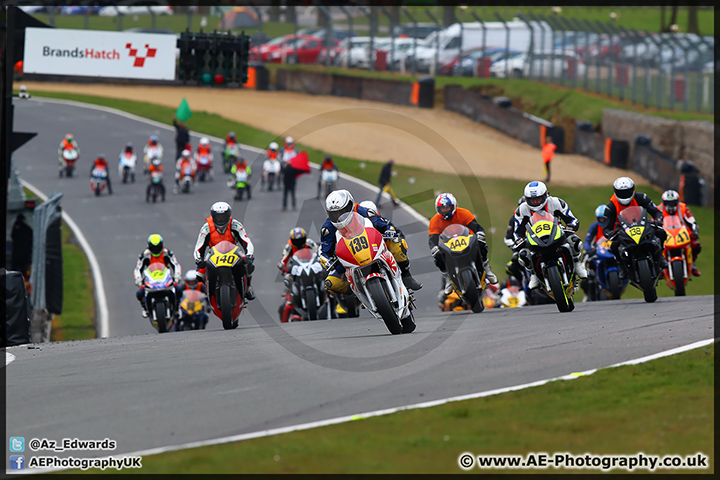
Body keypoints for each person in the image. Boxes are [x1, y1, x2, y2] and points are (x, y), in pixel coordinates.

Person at [320, 189, 422, 295]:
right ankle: (358, 294)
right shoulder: (328, 228)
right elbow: (325, 250)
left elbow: (379, 223)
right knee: (331, 283)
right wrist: (328, 261)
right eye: (335, 213)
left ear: (350, 206)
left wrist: (388, 230)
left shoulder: (362, 210)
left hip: (372, 245)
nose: (339, 216)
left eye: (342, 211)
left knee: (397, 243)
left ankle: (406, 276)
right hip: (350, 257)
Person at [513, 181, 587, 290]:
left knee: (574, 241)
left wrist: (571, 226)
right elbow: (517, 231)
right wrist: (519, 240)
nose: (535, 202)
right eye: (532, 200)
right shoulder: (522, 209)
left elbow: (571, 219)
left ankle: (577, 263)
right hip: (534, 238)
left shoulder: (556, 202)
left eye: (538, 199)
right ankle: (534, 273)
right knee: (523, 255)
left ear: (545, 195)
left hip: (557, 232)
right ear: (526, 199)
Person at [429, 193, 498, 300]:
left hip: (466, 240)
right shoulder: (434, 221)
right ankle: (448, 278)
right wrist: (434, 247)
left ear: (454, 206)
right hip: (449, 245)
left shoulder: (464, 213)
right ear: (438, 209)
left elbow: (476, 227)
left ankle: (487, 270)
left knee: (481, 244)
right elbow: (432, 239)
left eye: (448, 207)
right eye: (442, 208)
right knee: (437, 256)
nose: (445, 210)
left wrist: (480, 233)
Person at [193, 202, 256, 300]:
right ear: (213, 216)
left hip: (233, 251)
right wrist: (199, 260)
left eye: (223, 217)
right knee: (199, 274)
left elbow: (246, 241)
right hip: (212, 253)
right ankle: (208, 291)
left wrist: (249, 255)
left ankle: (248, 287)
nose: (221, 219)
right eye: (218, 217)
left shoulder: (235, 225)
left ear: (228, 216)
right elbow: (199, 246)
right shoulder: (206, 228)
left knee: (248, 266)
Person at [602, 176, 667, 270]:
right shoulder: (611, 206)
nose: (624, 195)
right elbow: (607, 227)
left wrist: (658, 220)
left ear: (633, 189)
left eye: (627, 192)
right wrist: (610, 233)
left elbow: (656, 211)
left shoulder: (642, 197)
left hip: (644, 223)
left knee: (661, 233)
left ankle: (660, 256)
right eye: (621, 193)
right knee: (614, 246)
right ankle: (622, 267)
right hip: (623, 228)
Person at [133, 234, 183, 318]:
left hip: (165, 277)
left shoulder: (167, 253)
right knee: (140, 293)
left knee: (178, 289)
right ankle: (145, 308)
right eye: (153, 247)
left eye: (157, 247)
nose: (156, 250)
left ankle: (177, 308)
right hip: (150, 279)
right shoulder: (144, 255)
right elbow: (138, 268)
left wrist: (177, 275)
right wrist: (138, 278)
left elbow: (176, 265)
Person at [659, 189, 701, 276]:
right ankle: (659, 267)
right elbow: (653, 222)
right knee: (655, 247)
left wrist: (695, 232)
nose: (671, 205)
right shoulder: (658, 210)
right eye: (668, 203)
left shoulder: (683, 209)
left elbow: (693, 222)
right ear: (664, 202)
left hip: (683, 233)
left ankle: (692, 264)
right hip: (666, 235)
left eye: (673, 203)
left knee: (696, 245)